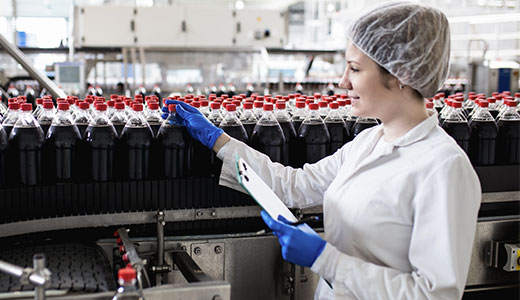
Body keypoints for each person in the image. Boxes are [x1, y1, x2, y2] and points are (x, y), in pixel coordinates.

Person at [162, 2, 481, 299]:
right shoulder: (368, 142)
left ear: (401, 75)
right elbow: (294, 186)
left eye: (355, 69)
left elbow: (434, 294)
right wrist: (217, 139)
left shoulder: (444, 167)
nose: (342, 82)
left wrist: (325, 259)